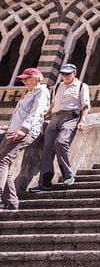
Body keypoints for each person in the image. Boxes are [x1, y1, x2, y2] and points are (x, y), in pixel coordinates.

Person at [33, 63, 90, 191]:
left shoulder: (82, 86)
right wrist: (45, 114)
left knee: (61, 142)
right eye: (63, 74)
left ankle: (68, 175)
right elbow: (54, 103)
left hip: (71, 117)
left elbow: (85, 105)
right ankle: (45, 182)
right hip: (55, 118)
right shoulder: (58, 86)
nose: (65, 76)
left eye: (67, 74)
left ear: (74, 73)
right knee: (47, 149)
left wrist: (82, 121)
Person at [0, 68, 50, 210]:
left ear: (36, 78)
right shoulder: (30, 92)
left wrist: (23, 129)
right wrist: (10, 127)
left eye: (27, 79)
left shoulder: (42, 91)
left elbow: (36, 112)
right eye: (23, 80)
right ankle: (11, 201)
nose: (24, 82)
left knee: (2, 161)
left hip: (25, 132)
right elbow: (21, 113)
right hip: (13, 131)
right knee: (4, 163)